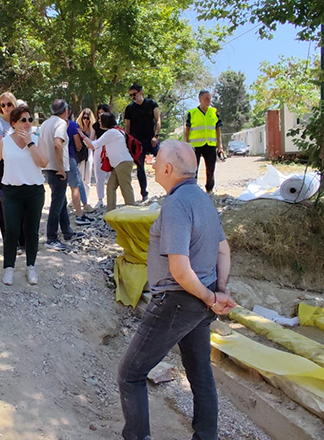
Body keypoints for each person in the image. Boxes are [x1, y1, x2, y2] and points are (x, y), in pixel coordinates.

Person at [117, 141, 237, 440]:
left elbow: (180, 270)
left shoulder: (176, 204)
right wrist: (219, 291)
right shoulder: (202, 198)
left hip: (178, 301)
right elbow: (223, 250)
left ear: (168, 169)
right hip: (201, 301)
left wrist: (211, 298)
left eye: (157, 160)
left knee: (131, 373)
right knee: (200, 374)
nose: (153, 164)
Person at [0, 105, 48, 286]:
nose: (27, 123)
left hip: (34, 191)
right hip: (11, 192)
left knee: (32, 230)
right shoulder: (4, 142)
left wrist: (30, 143)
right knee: (11, 230)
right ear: (13, 123)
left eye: (29, 120)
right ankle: (8, 267)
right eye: (23, 120)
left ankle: (31, 266)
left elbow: (43, 162)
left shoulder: (38, 140)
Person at [40, 99, 85, 251]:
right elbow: (57, 144)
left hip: (48, 167)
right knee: (57, 203)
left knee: (61, 201)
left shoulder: (45, 124)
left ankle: (67, 232)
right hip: (57, 168)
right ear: (66, 111)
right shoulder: (60, 123)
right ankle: (51, 237)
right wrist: (60, 167)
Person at [0, 91, 25, 251]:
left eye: (9, 104)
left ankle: (23, 239)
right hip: (5, 165)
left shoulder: (22, 120)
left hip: (22, 165)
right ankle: (9, 242)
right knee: (6, 204)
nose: (6, 107)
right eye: (2, 105)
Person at [81, 112, 135, 211]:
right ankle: (111, 211)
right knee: (110, 187)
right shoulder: (118, 131)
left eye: (100, 120)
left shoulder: (111, 133)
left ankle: (132, 212)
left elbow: (92, 145)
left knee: (126, 189)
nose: (99, 122)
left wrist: (82, 135)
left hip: (122, 163)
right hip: (118, 164)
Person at [124, 83, 161, 202]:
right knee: (140, 168)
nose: (133, 97)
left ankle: (171, 187)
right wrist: (128, 142)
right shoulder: (129, 108)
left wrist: (156, 136)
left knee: (163, 158)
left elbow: (158, 120)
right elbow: (127, 127)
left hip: (151, 139)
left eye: (134, 94)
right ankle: (144, 193)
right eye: (130, 95)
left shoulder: (151, 104)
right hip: (137, 143)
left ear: (140, 92)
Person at [184, 90, 224, 193]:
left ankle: (209, 189)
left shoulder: (214, 112)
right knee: (193, 169)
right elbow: (187, 130)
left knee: (211, 168)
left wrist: (220, 146)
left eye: (209, 98)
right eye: (206, 98)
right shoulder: (192, 113)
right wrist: (186, 145)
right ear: (200, 100)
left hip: (210, 144)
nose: (208, 100)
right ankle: (193, 189)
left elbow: (218, 129)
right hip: (195, 146)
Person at [66, 112, 94, 226]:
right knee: (77, 183)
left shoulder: (48, 125)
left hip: (54, 160)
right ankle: (81, 211)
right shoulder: (73, 125)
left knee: (59, 187)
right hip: (70, 156)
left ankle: (63, 211)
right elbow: (78, 145)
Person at [75, 108, 97, 212]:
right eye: (84, 118)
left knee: (87, 178)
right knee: (77, 178)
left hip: (88, 154)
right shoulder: (78, 127)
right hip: (79, 155)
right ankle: (76, 199)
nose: (85, 120)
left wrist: (82, 135)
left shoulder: (92, 129)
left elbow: (90, 143)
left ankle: (85, 200)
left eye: (87, 118)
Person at [91, 104, 110, 209]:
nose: (100, 114)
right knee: (99, 175)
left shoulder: (111, 125)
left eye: (103, 112)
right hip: (99, 149)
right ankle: (100, 199)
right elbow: (92, 138)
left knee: (111, 175)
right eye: (99, 112)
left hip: (110, 149)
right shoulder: (95, 125)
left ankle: (111, 198)